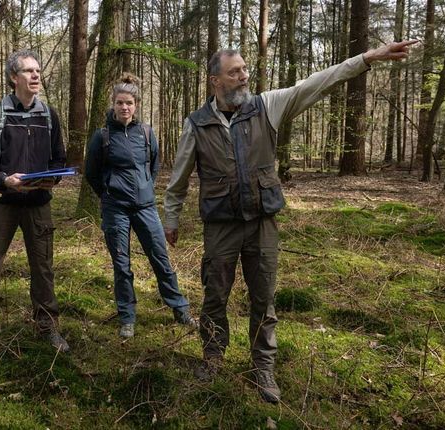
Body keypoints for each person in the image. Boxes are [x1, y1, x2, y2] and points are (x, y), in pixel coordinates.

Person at [163, 40, 418, 402]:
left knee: (263, 297)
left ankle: (262, 366)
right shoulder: (197, 123)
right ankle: (214, 357)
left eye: (245, 69)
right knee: (214, 296)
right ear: (214, 80)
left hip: (262, 222)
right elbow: (178, 179)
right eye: (235, 72)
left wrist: (366, 59)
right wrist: (170, 219)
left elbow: (316, 83)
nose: (244, 76)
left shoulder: (267, 106)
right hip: (220, 225)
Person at [0, 49, 70, 365]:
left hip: (38, 204)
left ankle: (48, 327)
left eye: (38, 70)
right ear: (14, 77)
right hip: (2, 203)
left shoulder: (49, 116)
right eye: (28, 71)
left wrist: (52, 179)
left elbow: (58, 160)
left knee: (43, 268)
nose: (36, 76)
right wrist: (4, 180)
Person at [84, 74, 197, 339]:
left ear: (136, 105)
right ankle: (127, 317)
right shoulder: (102, 137)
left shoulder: (146, 132)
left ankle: (180, 309)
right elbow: (91, 173)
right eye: (120, 103)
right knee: (122, 264)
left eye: (129, 103)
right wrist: (110, 192)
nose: (125, 108)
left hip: (146, 207)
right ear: (113, 104)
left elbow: (154, 165)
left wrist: (144, 187)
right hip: (115, 209)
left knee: (161, 259)